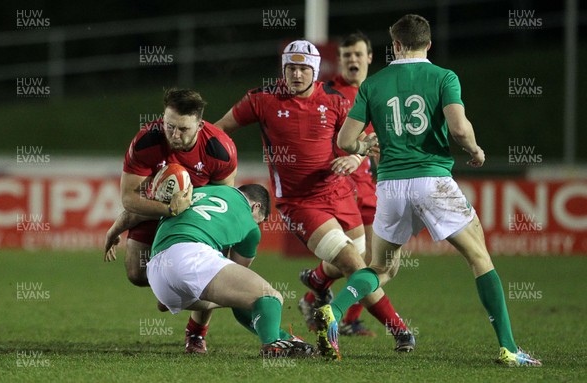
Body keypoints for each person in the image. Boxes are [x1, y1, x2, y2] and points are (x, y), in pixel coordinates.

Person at [316, 14, 541, 366]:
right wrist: (475, 150)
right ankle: (509, 348)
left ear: (395, 46)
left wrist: (364, 149)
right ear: (429, 44)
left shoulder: (373, 85)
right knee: (479, 257)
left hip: (389, 185)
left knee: (382, 269)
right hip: (432, 181)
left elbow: (345, 141)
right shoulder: (443, 77)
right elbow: (459, 129)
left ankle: (335, 309)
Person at [214, 39, 414, 353]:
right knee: (353, 265)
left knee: (367, 264)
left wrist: (354, 157)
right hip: (299, 203)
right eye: (290, 68)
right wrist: (207, 165)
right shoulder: (262, 99)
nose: (296, 74)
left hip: (340, 194)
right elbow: (218, 132)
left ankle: (319, 282)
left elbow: (363, 143)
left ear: (315, 70)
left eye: (303, 68)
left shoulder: (335, 100)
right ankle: (399, 330)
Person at [297, 32, 414, 344]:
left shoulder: (379, 91)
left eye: (358, 54)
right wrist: (350, 154)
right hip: (342, 190)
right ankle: (358, 318)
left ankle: (317, 284)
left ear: (370, 57)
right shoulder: (328, 92)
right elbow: (320, 139)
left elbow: (379, 140)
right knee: (364, 263)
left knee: (386, 266)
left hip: (373, 188)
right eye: (346, 55)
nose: (352, 60)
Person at [103, 88, 238, 354]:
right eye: (169, 126)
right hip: (156, 208)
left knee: (207, 277)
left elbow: (223, 201)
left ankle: (196, 334)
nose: (174, 135)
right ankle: (171, 289)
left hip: (197, 215)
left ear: (199, 125)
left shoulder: (220, 150)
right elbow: (130, 199)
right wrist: (169, 209)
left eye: (183, 129)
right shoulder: (146, 142)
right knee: (136, 274)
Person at [147, 183, 314, 357]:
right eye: (260, 220)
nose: (257, 225)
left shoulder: (198, 191)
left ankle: (286, 340)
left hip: (157, 272)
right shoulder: (250, 225)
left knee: (245, 297)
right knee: (269, 296)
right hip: (190, 257)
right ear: (256, 206)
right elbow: (239, 276)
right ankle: (273, 344)